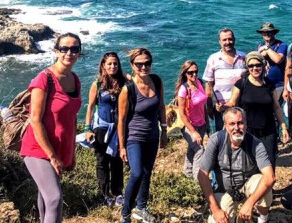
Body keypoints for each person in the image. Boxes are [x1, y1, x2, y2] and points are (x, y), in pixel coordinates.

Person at [21, 33, 82, 223]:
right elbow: (35, 119)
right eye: (64, 48)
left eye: (74, 49)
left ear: (79, 52)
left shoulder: (75, 79)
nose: (69, 53)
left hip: (59, 148)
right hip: (38, 148)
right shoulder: (43, 79)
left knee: (45, 196)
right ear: (56, 51)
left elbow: (71, 120)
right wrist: (52, 156)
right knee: (55, 198)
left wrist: (70, 152)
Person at [197, 107, 275, 223]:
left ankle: (262, 218)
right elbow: (202, 174)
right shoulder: (216, 141)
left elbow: (270, 177)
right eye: (232, 124)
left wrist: (249, 203)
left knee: (263, 183)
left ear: (246, 124)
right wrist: (215, 210)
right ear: (225, 126)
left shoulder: (255, 143)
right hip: (224, 190)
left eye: (240, 123)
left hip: (247, 187)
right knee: (218, 220)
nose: (236, 128)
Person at [117, 48, 168, 223]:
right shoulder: (128, 90)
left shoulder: (157, 81)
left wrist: (164, 131)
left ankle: (141, 207)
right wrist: (122, 146)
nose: (144, 67)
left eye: (147, 63)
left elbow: (161, 106)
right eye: (139, 64)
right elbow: (121, 120)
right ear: (132, 66)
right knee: (137, 173)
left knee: (147, 173)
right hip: (134, 138)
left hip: (152, 136)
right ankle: (125, 213)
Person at [222, 52, 290, 168]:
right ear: (248, 67)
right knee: (250, 162)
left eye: (258, 65)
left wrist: (283, 127)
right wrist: (223, 107)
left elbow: (276, 107)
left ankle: (269, 185)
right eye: (251, 66)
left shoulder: (269, 84)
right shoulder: (241, 83)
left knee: (269, 162)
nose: (255, 68)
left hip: (269, 130)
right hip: (248, 130)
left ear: (263, 66)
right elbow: (232, 103)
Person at [84, 52, 127, 206]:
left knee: (117, 161)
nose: (112, 66)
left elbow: (135, 82)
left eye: (115, 63)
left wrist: (126, 75)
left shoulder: (123, 83)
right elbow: (89, 107)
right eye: (109, 63)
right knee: (102, 161)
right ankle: (104, 194)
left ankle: (118, 193)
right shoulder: (97, 84)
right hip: (101, 128)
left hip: (119, 129)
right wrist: (88, 128)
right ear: (103, 65)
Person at [203, 28, 247, 132]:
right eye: (224, 40)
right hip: (221, 107)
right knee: (222, 136)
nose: (228, 42)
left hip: (240, 105)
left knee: (241, 133)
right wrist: (209, 108)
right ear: (219, 41)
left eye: (230, 39)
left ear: (234, 40)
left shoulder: (244, 57)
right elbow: (209, 85)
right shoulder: (213, 59)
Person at [175, 60, 209, 179]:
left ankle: (187, 173)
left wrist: (207, 123)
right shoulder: (183, 90)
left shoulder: (200, 83)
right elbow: (182, 113)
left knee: (192, 149)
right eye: (190, 73)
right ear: (185, 73)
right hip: (189, 126)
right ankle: (198, 181)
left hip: (201, 124)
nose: (194, 75)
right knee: (200, 151)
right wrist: (193, 132)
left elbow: (203, 106)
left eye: (196, 72)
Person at [255, 22, 288, 103]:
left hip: (278, 85)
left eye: (269, 32)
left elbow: (278, 59)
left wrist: (267, 48)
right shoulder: (260, 45)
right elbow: (258, 59)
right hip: (263, 84)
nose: (267, 34)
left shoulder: (282, 45)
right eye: (264, 32)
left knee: (275, 108)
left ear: (274, 33)